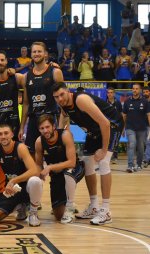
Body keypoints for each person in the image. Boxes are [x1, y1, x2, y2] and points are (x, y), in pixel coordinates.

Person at [52, 82, 124, 225]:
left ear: (68, 91)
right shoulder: (63, 105)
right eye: (56, 97)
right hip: (93, 130)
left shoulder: (81, 100)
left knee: (103, 162)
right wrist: (60, 139)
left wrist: (103, 149)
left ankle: (106, 210)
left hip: (112, 125)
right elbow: (64, 119)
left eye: (62, 94)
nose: (60, 99)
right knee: (87, 162)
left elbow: (105, 123)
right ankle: (94, 205)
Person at [0, 124, 43, 226]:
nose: (3, 136)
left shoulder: (20, 148)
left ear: (12, 134)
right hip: (12, 190)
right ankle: (19, 207)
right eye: (0, 134)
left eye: (6, 133)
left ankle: (33, 213)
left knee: (35, 180)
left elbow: (34, 170)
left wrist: (13, 180)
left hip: (26, 188)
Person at [34, 114, 85, 224]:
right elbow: (38, 165)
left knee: (68, 173)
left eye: (47, 127)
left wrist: (50, 167)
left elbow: (72, 162)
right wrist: (38, 178)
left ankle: (70, 207)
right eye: (42, 128)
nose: (45, 130)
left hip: (75, 168)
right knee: (58, 215)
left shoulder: (65, 135)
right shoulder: (39, 142)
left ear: (53, 126)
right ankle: (65, 203)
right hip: (57, 175)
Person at [19, 41, 64, 153]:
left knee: (54, 156)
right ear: (31, 54)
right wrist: (22, 127)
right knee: (32, 156)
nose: (36, 54)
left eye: (39, 51)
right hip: (33, 121)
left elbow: (63, 100)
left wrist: (63, 125)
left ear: (45, 54)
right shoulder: (26, 77)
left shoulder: (55, 72)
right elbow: (26, 103)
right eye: (34, 51)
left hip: (50, 119)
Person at [122, 83, 150, 172]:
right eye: (133, 89)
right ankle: (130, 165)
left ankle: (138, 164)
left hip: (142, 128)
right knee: (132, 144)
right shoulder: (127, 102)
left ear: (140, 90)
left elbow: (149, 115)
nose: (134, 90)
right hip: (130, 127)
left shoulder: (145, 102)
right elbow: (124, 116)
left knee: (141, 147)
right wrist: (122, 128)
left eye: (136, 89)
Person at [106, 87, 122, 164]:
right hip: (107, 125)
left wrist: (122, 126)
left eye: (111, 92)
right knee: (107, 141)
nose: (110, 94)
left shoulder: (118, 103)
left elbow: (121, 115)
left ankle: (114, 157)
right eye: (108, 92)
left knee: (115, 142)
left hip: (117, 125)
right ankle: (106, 156)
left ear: (114, 94)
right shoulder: (104, 102)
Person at [143, 86, 150, 168]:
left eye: (146, 92)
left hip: (149, 125)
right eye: (144, 92)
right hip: (142, 124)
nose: (145, 93)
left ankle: (147, 159)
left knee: (148, 142)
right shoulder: (142, 101)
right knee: (145, 142)